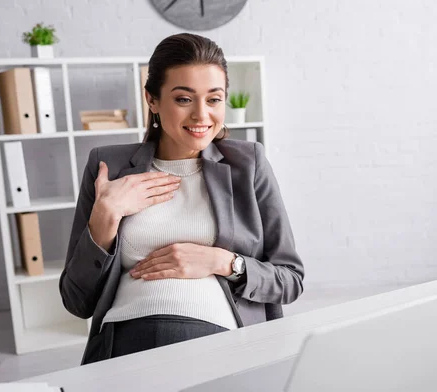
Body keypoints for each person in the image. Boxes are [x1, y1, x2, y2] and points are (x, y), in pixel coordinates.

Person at [60, 33, 305, 365]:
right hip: (124, 339)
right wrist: (105, 216)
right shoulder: (108, 166)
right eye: (184, 99)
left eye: (214, 99)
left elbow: (289, 280)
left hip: (217, 337)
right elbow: (77, 301)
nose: (201, 116)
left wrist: (222, 262)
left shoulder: (248, 165)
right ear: (152, 101)